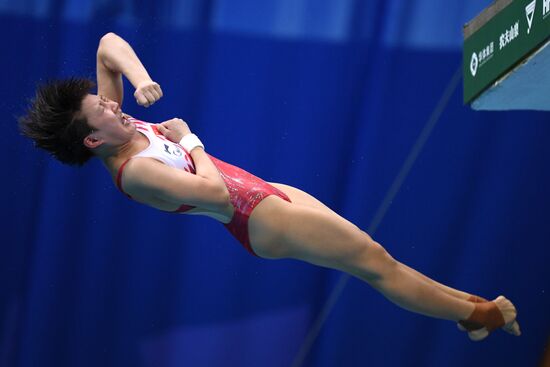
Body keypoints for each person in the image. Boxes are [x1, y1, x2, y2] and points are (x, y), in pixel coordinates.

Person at [18, 32, 520, 342]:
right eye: (100, 109)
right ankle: (479, 315)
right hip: (255, 219)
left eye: (102, 99)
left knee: (376, 254)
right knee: (373, 265)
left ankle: (472, 312)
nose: (111, 103)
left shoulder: (118, 125)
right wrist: (190, 139)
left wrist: (141, 77)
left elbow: (108, 45)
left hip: (261, 193)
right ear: (91, 139)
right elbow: (213, 195)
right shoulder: (134, 170)